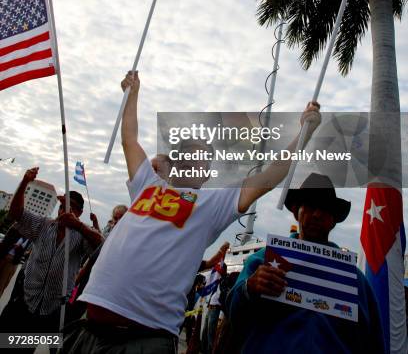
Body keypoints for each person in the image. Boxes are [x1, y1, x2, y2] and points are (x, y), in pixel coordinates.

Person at [63, 71, 321, 353]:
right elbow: (128, 139)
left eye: (202, 156)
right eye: (188, 152)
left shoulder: (215, 203)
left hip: (144, 338)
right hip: (88, 329)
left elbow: (271, 176)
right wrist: (132, 94)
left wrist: (304, 134)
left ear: (208, 171)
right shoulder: (147, 183)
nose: (194, 159)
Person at [227, 173, 386, 353]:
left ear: (333, 220)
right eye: (310, 206)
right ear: (296, 212)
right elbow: (234, 316)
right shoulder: (262, 261)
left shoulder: (355, 280)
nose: (317, 214)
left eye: (325, 209)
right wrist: (249, 288)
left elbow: (374, 341)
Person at [0, 167, 102, 339]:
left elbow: (101, 249)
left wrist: (79, 225)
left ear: (79, 213)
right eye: (62, 206)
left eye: (72, 208)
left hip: (52, 308)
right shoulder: (44, 225)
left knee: (26, 346)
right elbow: (16, 213)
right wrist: (25, 182)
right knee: (5, 340)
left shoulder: (82, 236)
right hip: (25, 299)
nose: (65, 210)